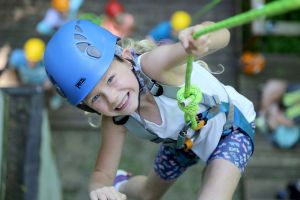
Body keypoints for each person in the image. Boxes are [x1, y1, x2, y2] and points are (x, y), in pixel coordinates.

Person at [44, 19, 256, 200]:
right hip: (183, 142)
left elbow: (223, 34)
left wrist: (203, 37)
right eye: (96, 98)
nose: (113, 98)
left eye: (110, 79)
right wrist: (101, 191)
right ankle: (123, 182)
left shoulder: (154, 66)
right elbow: (101, 174)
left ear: (126, 57)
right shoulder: (116, 119)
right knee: (148, 194)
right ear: (87, 106)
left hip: (231, 129)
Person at [256, 79, 300, 149]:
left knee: (274, 120)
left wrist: (273, 112)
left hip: (285, 134)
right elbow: (281, 86)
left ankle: (264, 120)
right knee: (272, 86)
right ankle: (263, 115)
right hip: (277, 112)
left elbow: (289, 123)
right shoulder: (296, 90)